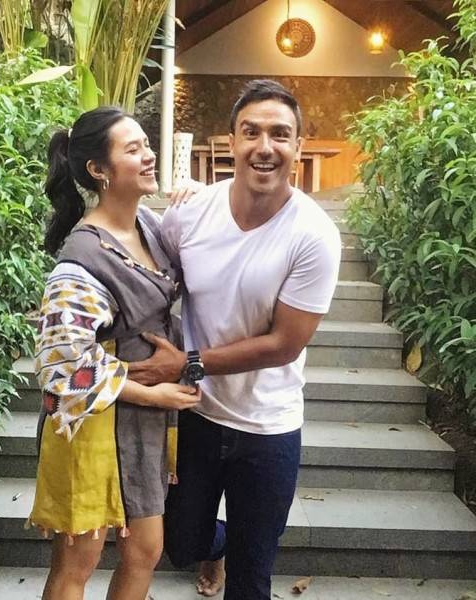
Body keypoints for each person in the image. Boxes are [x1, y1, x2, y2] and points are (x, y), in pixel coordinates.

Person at [128, 80, 342, 600]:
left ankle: (237, 553)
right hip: (196, 415)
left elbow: (284, 344)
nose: (265, 146)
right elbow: (148, 277)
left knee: (252, 575)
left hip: (269, 427)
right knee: (182, 542)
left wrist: (186, 362)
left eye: (280, 134)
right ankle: (214, 547)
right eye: (252, 132)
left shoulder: (314, 235)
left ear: (298, 146)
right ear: (231, 142)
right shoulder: (190, 213)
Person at [27, 106, 200, 600]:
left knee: (145, 549)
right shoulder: (82, 259)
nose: (149, 156)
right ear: (98, 170)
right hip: (91, 425)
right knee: (78, 560)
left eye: (147, 145)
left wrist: (199, 198)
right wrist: (152, 394)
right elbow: (60, 365)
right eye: (133, 149)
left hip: (141, 426)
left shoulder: (150, 226)